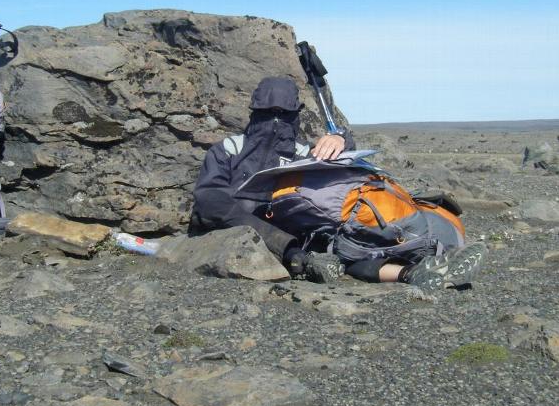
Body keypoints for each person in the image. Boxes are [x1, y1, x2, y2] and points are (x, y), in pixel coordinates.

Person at [189, 76, 485, 290]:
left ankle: (411, 273)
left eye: (283, 115)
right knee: (219, 204)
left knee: (344, 247)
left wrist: (339, 139)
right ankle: (301, 260)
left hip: (299, 233)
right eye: (269, 114)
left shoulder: (304, 153)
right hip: (242, 228)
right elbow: (208, 200)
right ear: (255, 113)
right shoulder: (228, 149)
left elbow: (347, 160)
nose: (275, 122)